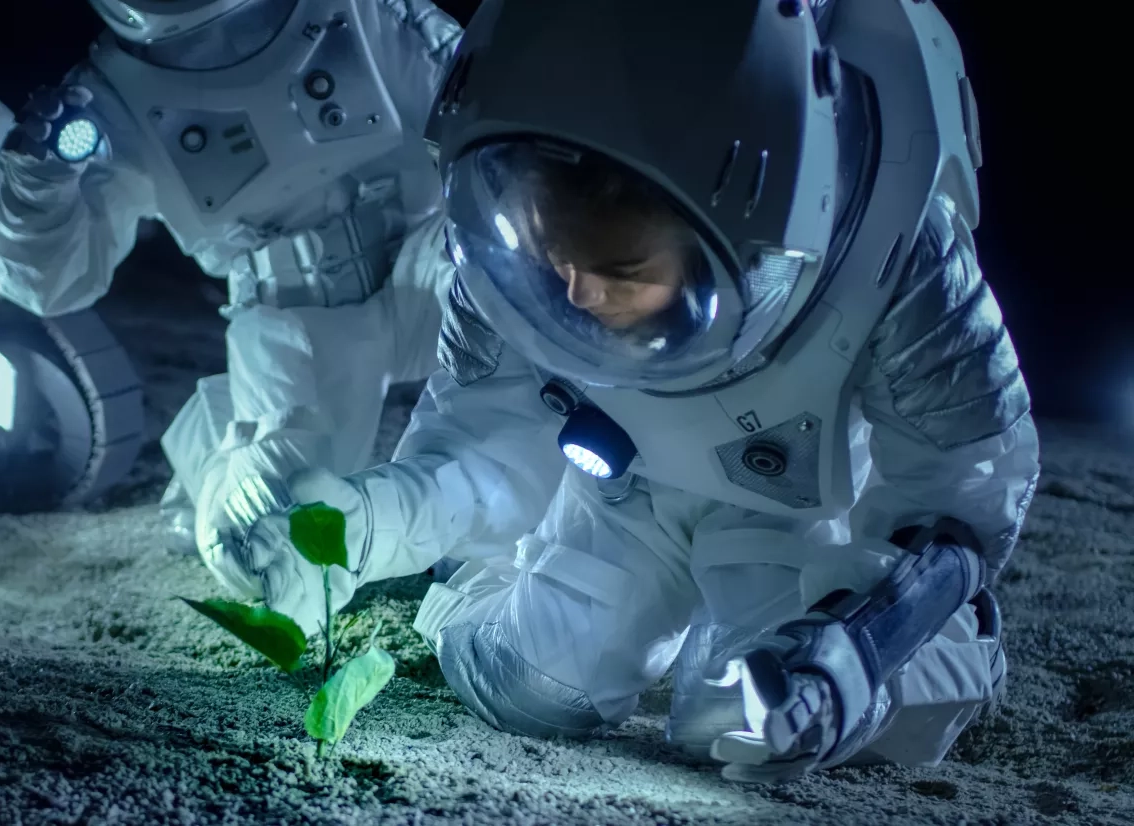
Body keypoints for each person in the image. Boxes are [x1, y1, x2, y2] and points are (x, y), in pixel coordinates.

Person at [215, 0, 1042, 783]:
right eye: (555, 258)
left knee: (746, 710)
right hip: (630, 491)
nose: (575, 298)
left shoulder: (895, 255)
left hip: (799, 512)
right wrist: (366, 520)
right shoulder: (514, 254)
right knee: (525, 681)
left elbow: (956, 494)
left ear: (756, 218)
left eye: (621, 272)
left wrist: (860, 646)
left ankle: (954, 649)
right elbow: (481, 433)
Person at [0, 0, 463, 563]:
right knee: (277, 545)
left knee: (536, 313)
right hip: (299, 319)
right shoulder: (107, 100)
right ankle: (222, 458)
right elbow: (49, 286)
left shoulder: (366, 11)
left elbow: (482, 114)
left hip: (434, 265)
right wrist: (38, 190)